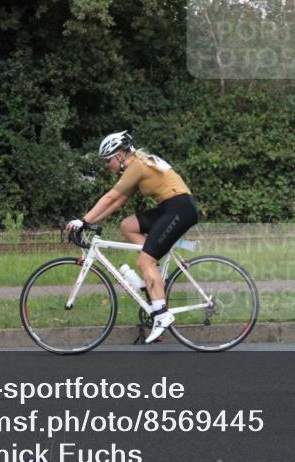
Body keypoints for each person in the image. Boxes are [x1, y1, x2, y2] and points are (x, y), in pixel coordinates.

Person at [66, 131, 199, 343]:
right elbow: (117, 202)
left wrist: (82, 221)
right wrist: (89, 222)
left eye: (107, 160)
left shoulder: (137, 165)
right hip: (170, 207)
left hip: (179, 208)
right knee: (128, 225)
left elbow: (111, 196)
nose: (106, 165)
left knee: (144, 260)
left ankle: (162, 315)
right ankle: (153, 273)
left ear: (119, 155)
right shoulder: (136, 165)